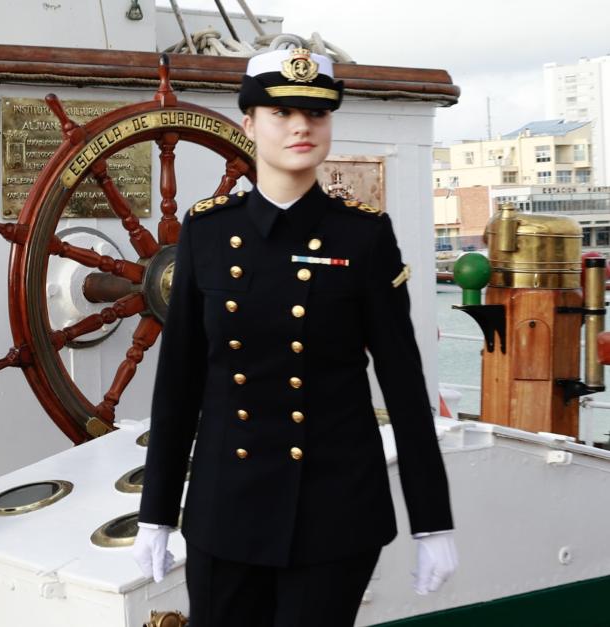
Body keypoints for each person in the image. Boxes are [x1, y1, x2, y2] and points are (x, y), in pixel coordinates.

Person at [132, 48, 458, 626]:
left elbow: (406, 388)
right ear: (249, 123)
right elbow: (178, 384)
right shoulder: (207, 233)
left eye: (316, 112)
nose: (302, 126)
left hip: (333, 510)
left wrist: (432, 520)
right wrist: (155, 512)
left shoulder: (363, 237)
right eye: (281, 113)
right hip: (224, 505)